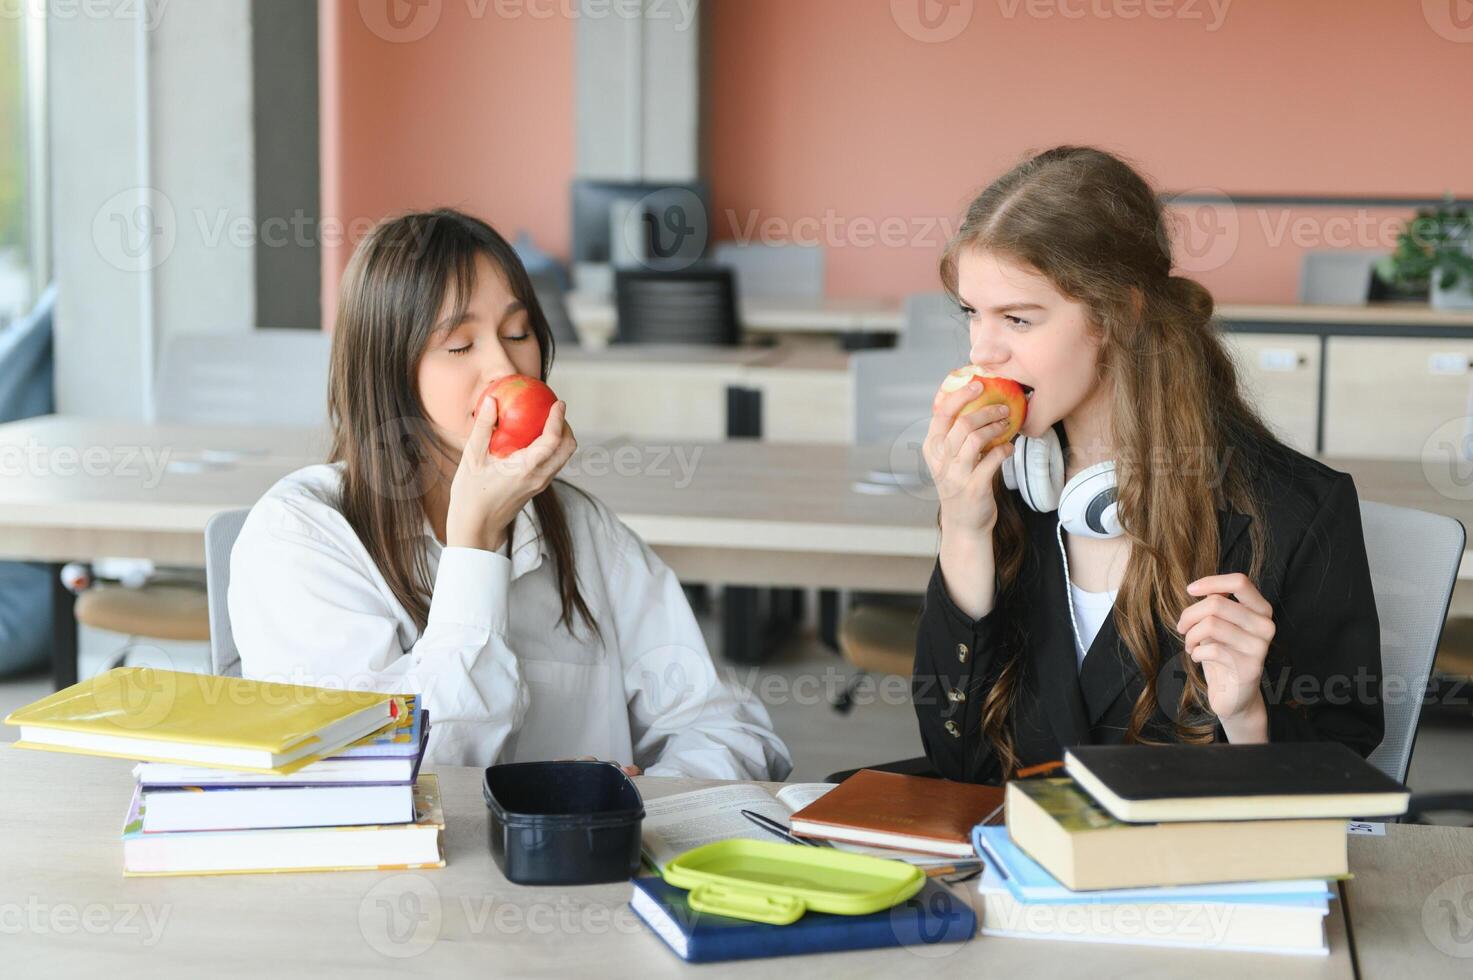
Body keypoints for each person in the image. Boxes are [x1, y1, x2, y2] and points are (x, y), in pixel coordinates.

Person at [230, 208, 791, 780]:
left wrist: (632, 800)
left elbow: (727, 729)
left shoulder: (580, 526)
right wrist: (473, 551)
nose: (504, 365)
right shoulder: (299, 536)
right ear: (387, 370)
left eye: (517, 333)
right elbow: (384, 777)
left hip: (588, 866)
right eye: (458, 344)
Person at [914, 146, 1382, 784]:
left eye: (1018, 319)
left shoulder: (1296, 509)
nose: (982, 350)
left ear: (1120, 316)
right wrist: (964, 531)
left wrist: (1248, 714)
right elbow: (956, 764)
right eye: (972, 313)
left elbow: (1343, 773)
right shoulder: (1003, 487)